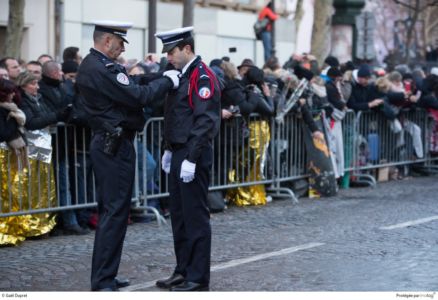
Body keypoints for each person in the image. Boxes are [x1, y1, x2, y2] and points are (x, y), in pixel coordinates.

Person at [75, 20, 179, 291]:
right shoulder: (100, 67)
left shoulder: (97, 65)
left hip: (112, 144)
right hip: (113, 146)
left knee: (115, 213)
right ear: (107, 40)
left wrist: (159, 75)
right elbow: (137, 95)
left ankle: (106, 276)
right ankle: (102, 281)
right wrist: (167, 81)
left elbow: (132, 81)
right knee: (114, 214)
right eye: (120, 43)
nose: (121, 49)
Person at [155, 26, 221, 291]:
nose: (168, 57)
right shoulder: (181, 74)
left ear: (187, 49)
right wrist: (169, 148)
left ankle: (197, 277)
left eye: (172, 51)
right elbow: (176, 116)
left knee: (195, 217)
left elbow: (204, 121)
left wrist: (191, 158)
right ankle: (182, 270)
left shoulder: (202, 76)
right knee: (180, 217)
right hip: (180, 150)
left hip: (194, 152)